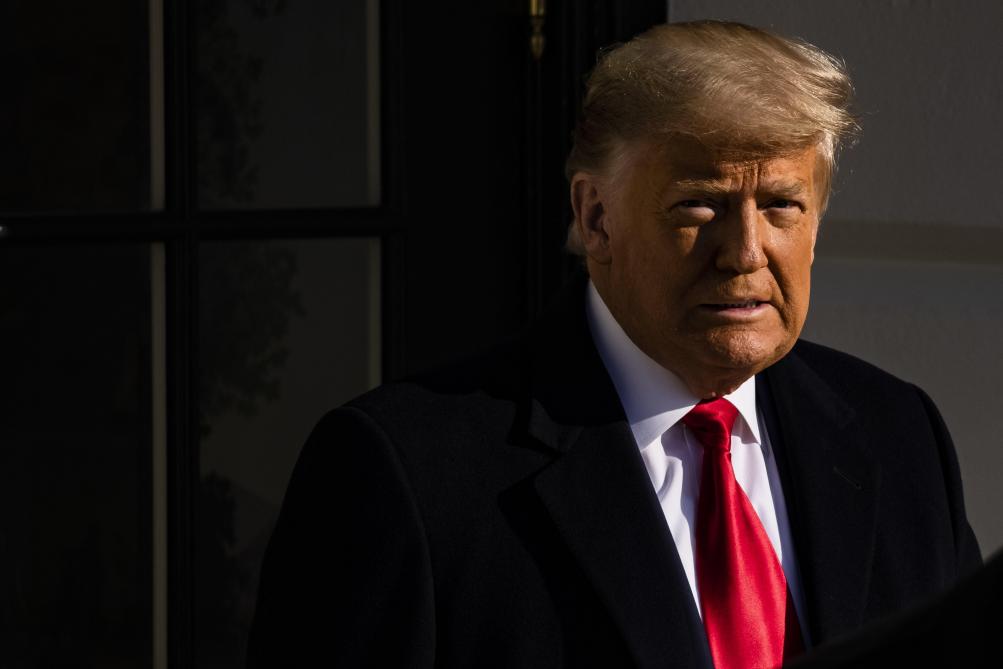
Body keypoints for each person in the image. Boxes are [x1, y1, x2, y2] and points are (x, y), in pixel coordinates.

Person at [247, 20, 981, 668]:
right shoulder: (403, 473)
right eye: (700, 204)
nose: (744, 251)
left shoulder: (898, 436)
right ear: (594, 216)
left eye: (781, 205)